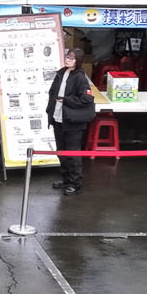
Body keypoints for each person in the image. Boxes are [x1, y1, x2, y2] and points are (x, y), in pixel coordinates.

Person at [46, 45, 97, 197]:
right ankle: (66, 179)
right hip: (58, 118)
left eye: (71, 58)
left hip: (73, 121)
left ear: (78, 61)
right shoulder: (61, 73)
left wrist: (67, 100)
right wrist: (50, 109)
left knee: (73, 153)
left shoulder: (80, 77)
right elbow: (53, 92)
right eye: (67, 57)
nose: (68, 60)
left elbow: (86, 99)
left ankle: (75, 184)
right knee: (61, 151)